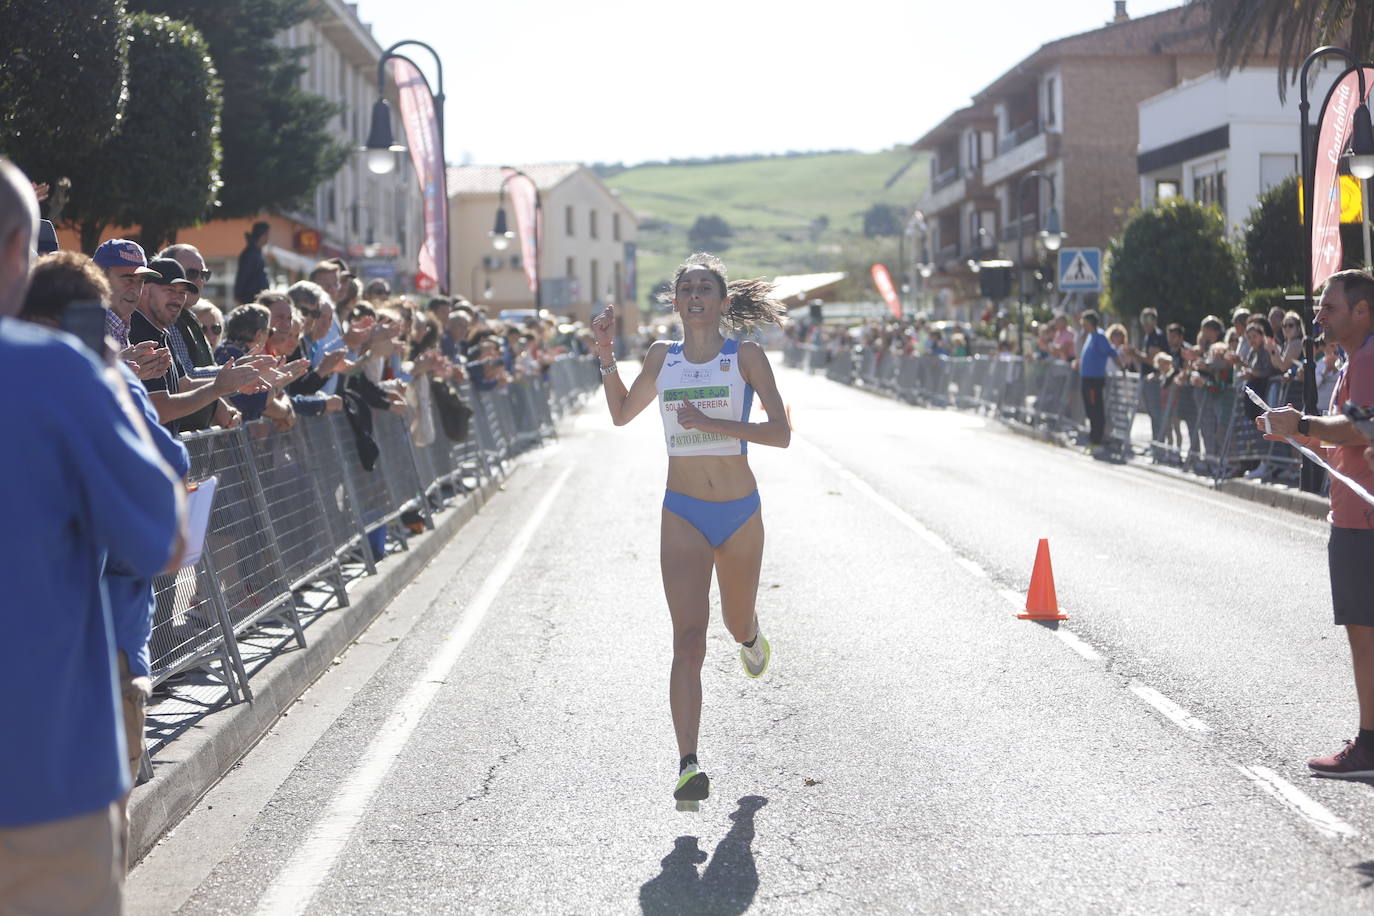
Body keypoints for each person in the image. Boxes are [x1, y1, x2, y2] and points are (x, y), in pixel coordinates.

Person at [0, 157, 185, 913]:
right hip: (41, 782)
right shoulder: (57, 374)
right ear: (18, 248)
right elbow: (166, 538)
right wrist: (114, 383)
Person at [591, 252, 789, 807]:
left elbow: (780, 433)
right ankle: (688, 765)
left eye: (707, 288)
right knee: (688, 641)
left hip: (739, 511)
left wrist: (713, 424)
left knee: (733, 622)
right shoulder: (662, 357)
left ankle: (751, 636)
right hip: (682, 512)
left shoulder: (744, 355)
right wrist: (606, 355)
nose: (696, 296)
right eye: (687, 289)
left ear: (724, 303)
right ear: (675, 303)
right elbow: (622, 414)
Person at [1257, 269, 1374, 777]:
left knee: (1364, 634)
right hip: (1355, 514)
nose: (1319, 316)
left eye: (1329, 307)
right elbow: (1344, 437)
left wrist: (1302, 425)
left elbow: (1359, 426)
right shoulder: (1357, 358)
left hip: (1362, 520)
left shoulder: (1368, 358)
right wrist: (1296, 432)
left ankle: (1370, 746)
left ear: (1362, 310)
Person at [1074, 310, 1120, 450]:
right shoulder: (1090, 336)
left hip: (1095, 380)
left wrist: (1122, 367)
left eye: (1084, 323)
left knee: (1096, 411)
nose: (1082, 325)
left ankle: (1097, 441)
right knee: (1089, 410)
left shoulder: (1100, 336)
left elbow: (1111, 352)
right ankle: (1092, 440)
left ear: (1090, 323)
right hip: (1086, 378)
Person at [234, 220, 271, 304]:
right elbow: (243, 276)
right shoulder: (251, 254)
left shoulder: (257, 252)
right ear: (263, 235)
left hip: (257, 298)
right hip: (251, 299)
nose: (268, 238)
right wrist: (239, 296)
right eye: (268, 234)